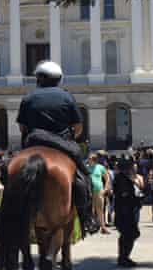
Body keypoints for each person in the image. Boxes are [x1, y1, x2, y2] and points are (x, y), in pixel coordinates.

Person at [17, 60, 99, 235]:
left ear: (38, 79)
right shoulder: (67, 97)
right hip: (62, 142)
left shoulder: (28, 97)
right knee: (84, 177)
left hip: (34, 142)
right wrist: (70, 139)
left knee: (10, 173)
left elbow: (22, 128)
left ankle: (4, 212)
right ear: (59, 79)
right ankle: (86, 218)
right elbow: (77, 126)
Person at [113, 155, 143, 267]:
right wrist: (137, 198)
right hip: (125, 212)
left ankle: (124, 257)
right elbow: (125, 195)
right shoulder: (122, 179)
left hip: (128, 211)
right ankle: (123, 258)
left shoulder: (125, 177)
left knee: (130, 234)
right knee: (129, 234)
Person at [88, 154, 110, 234]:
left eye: (90, 158)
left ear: (94, 160)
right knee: (90, 209)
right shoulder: (86, 168)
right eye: (89, 158)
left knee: (100, 210)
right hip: (89, 191)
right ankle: (91, 226)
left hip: (99, 191)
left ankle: (103, 227)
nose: (89, 159)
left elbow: (107, 178)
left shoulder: (100, 167)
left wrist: (105, 189)